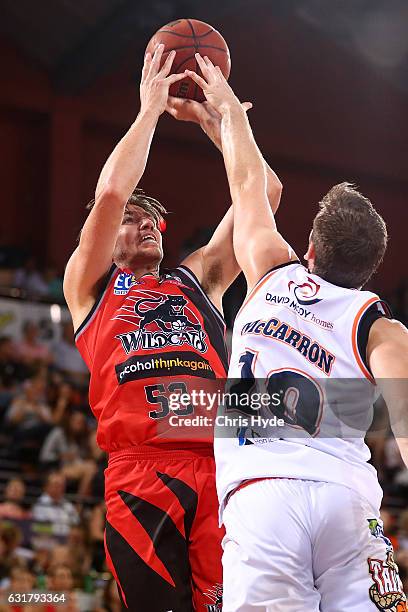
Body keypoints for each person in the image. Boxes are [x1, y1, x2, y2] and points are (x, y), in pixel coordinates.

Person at [186, 55, 408, 610]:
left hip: (261, 498)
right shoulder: (380, 329)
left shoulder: (270, 268)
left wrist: (229, 111)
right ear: (368, 272)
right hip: (346, 501)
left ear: (308, 248)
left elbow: (247, 185)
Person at [63, 44, 280, 611]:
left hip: (217, 462)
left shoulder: (196, 281)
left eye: (152, 219)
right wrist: (150, 110)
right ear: (106, 238)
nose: (147, 225)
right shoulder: (91, 288)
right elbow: (111, 193)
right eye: (132, 222)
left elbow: (267, 193)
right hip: (141, 474)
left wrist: (220, 122)